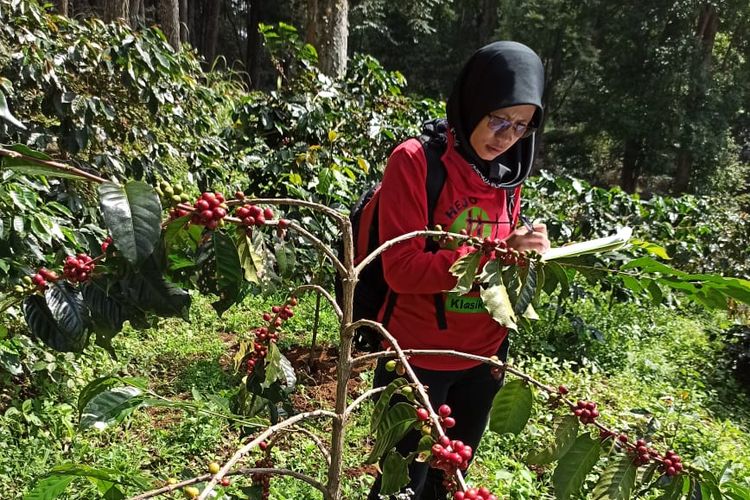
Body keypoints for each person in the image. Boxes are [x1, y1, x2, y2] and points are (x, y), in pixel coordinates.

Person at [367, 41, 551, 499]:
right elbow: (403, 270)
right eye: (498, 119)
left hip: (484, 358)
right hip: (417, 356)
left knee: (450, 481)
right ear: (473, 103)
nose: (507, 136)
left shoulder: (508, 173)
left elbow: (498, 265)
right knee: (400, 484)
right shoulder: (416, 162)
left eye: (522, 126)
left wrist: (525, 255)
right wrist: (494, 251)